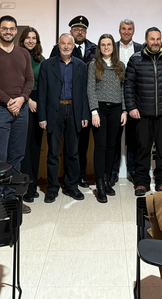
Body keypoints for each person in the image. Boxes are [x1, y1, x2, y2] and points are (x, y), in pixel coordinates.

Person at [125, 27, 162, 196]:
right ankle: (142, 182)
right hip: (142, 114)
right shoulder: (135, 59)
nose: (156, 42)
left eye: (158, 39)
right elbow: (129, 87)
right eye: (152, 39)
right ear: (146, 40)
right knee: (142, 148)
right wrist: (131, 107)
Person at [0, 16, 34, 203]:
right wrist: (9, 100)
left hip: (21, 110)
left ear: (16, 31)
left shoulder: (24, 53)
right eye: (5, 28)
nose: (8, 32)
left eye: (12, 29)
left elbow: (29, 80)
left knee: (17, 155)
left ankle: (12, 198)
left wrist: (21, 99)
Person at [38, 34, 90, 203]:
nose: (66, 46)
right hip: (55, 111)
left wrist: (84, 115)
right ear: (58, 45)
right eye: (63, 43)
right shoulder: (47, 65)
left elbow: (84, 93)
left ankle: (72, 186)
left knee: (73, 152)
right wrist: (42, 116)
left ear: (73, 46)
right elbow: (42, 93)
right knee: (52, 153)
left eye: (69, 43)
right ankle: (52, 188)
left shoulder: (81, 66)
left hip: (74, 110)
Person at [50, 15, 96, 187]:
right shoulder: (59, 49)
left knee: (81, 144)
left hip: (84, 102)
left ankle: (80, 176)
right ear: (70, 31)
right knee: (60, 147)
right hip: (63, 103)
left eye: (83, 30)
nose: (80, 32)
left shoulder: (94, 49)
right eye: (77, 29)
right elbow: (52, 74)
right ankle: (63, 179)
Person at [87, 34, 127, 203]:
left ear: (113, 47)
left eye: (109, 44)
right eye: (103, 45)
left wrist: (124, 110)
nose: (106, 47)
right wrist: (94, 111)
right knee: (101, 147)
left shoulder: (120, 66)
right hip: (100, 110)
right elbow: (90, 89)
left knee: (112, 147)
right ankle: (100, 185)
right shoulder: (93, 65)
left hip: (116, 110)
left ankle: (106, 180)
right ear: (99, 47)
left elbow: (123, 89)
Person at [111, 18, 142, 186]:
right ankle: (113, 171)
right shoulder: (112, 48)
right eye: (123, 29)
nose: (126, 32)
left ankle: (133, 170)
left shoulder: (141, 48)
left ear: (133, 31)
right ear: (119, 30)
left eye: (129, 29)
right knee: (115, 137)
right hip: (115, 96)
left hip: (135, 98)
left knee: (134, 137)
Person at [18, 27, 45, 202]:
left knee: (36, 147)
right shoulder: (16, 57)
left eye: (34, 38)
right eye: (28, 38)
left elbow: (44, 83)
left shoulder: (41, 60)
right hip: (22, 102)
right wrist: (28, 100)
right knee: (24, 149)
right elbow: (15, 82)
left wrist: (39, 103)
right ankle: (25, 188)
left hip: (39, 102)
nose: (30, 41)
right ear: (22, 39)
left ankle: (33, 185)